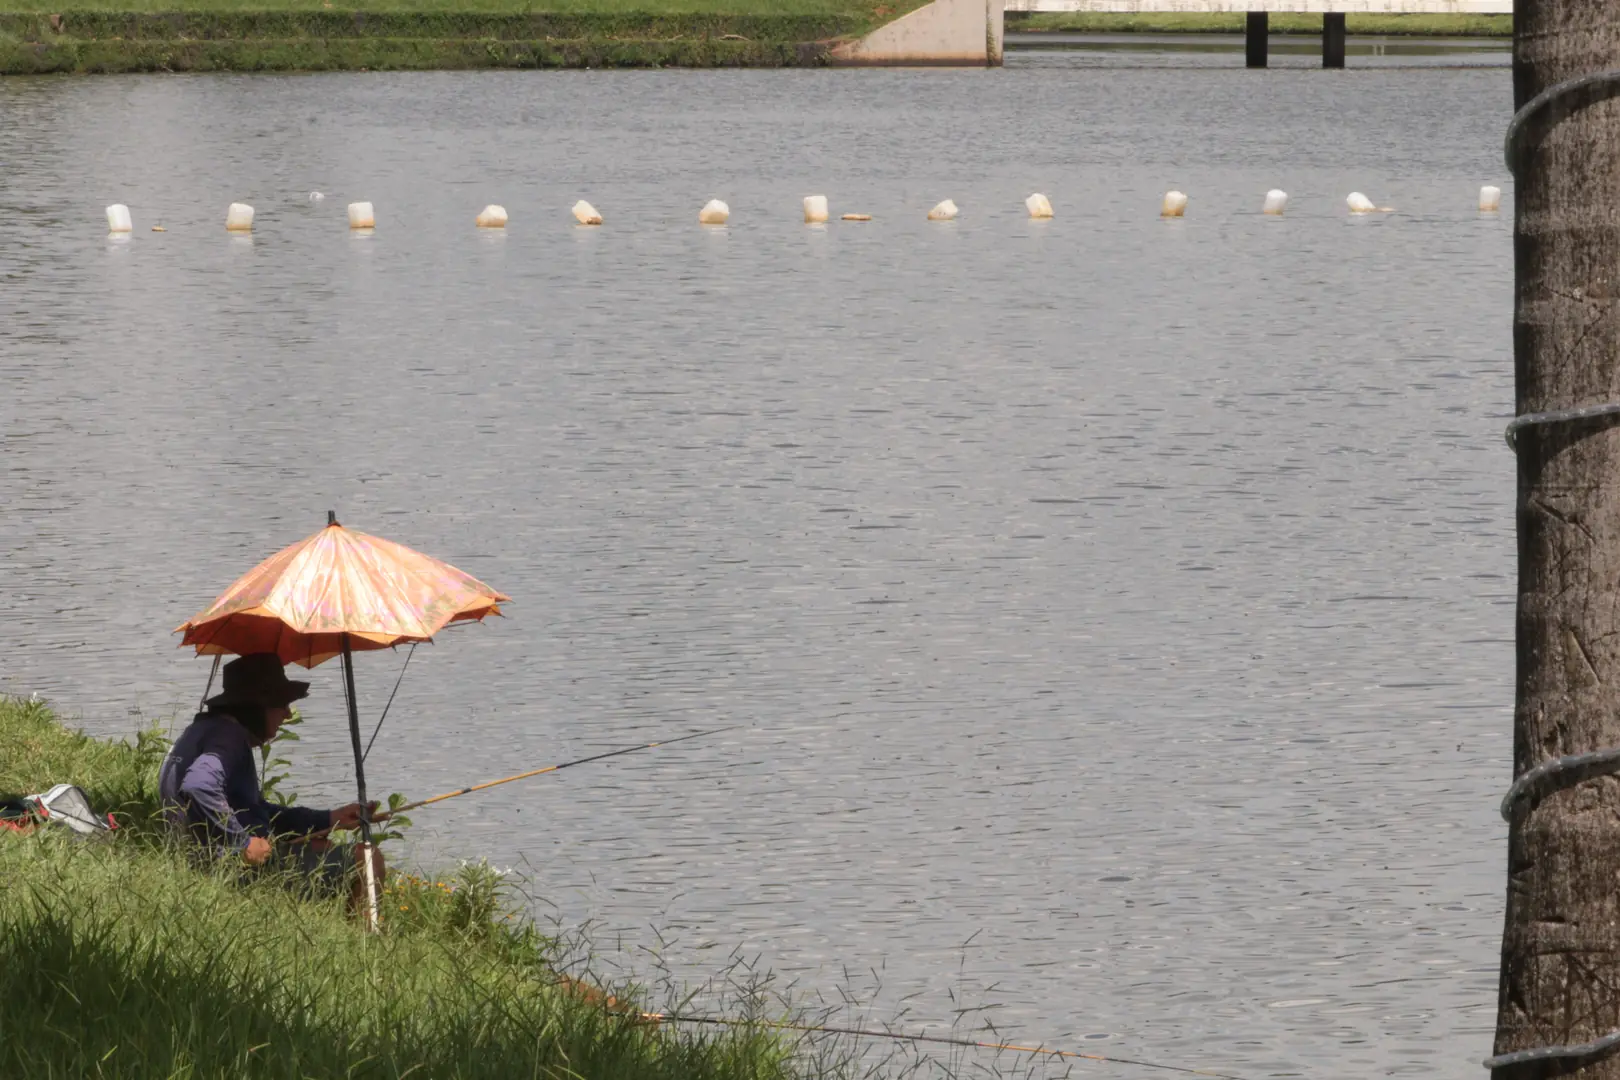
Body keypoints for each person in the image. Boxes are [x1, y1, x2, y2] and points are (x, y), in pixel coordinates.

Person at [159, 652, 383, 906]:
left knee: (322, 846)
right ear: (257, 707)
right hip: (231, 872)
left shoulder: (203, 730)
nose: (287, 714)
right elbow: (198, 786)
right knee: (367, 859)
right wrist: (241, 843)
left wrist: (330, 819)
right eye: (282, 704)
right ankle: (363, 932)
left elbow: (256, 811)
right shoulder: (229, 738)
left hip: (200, 864)